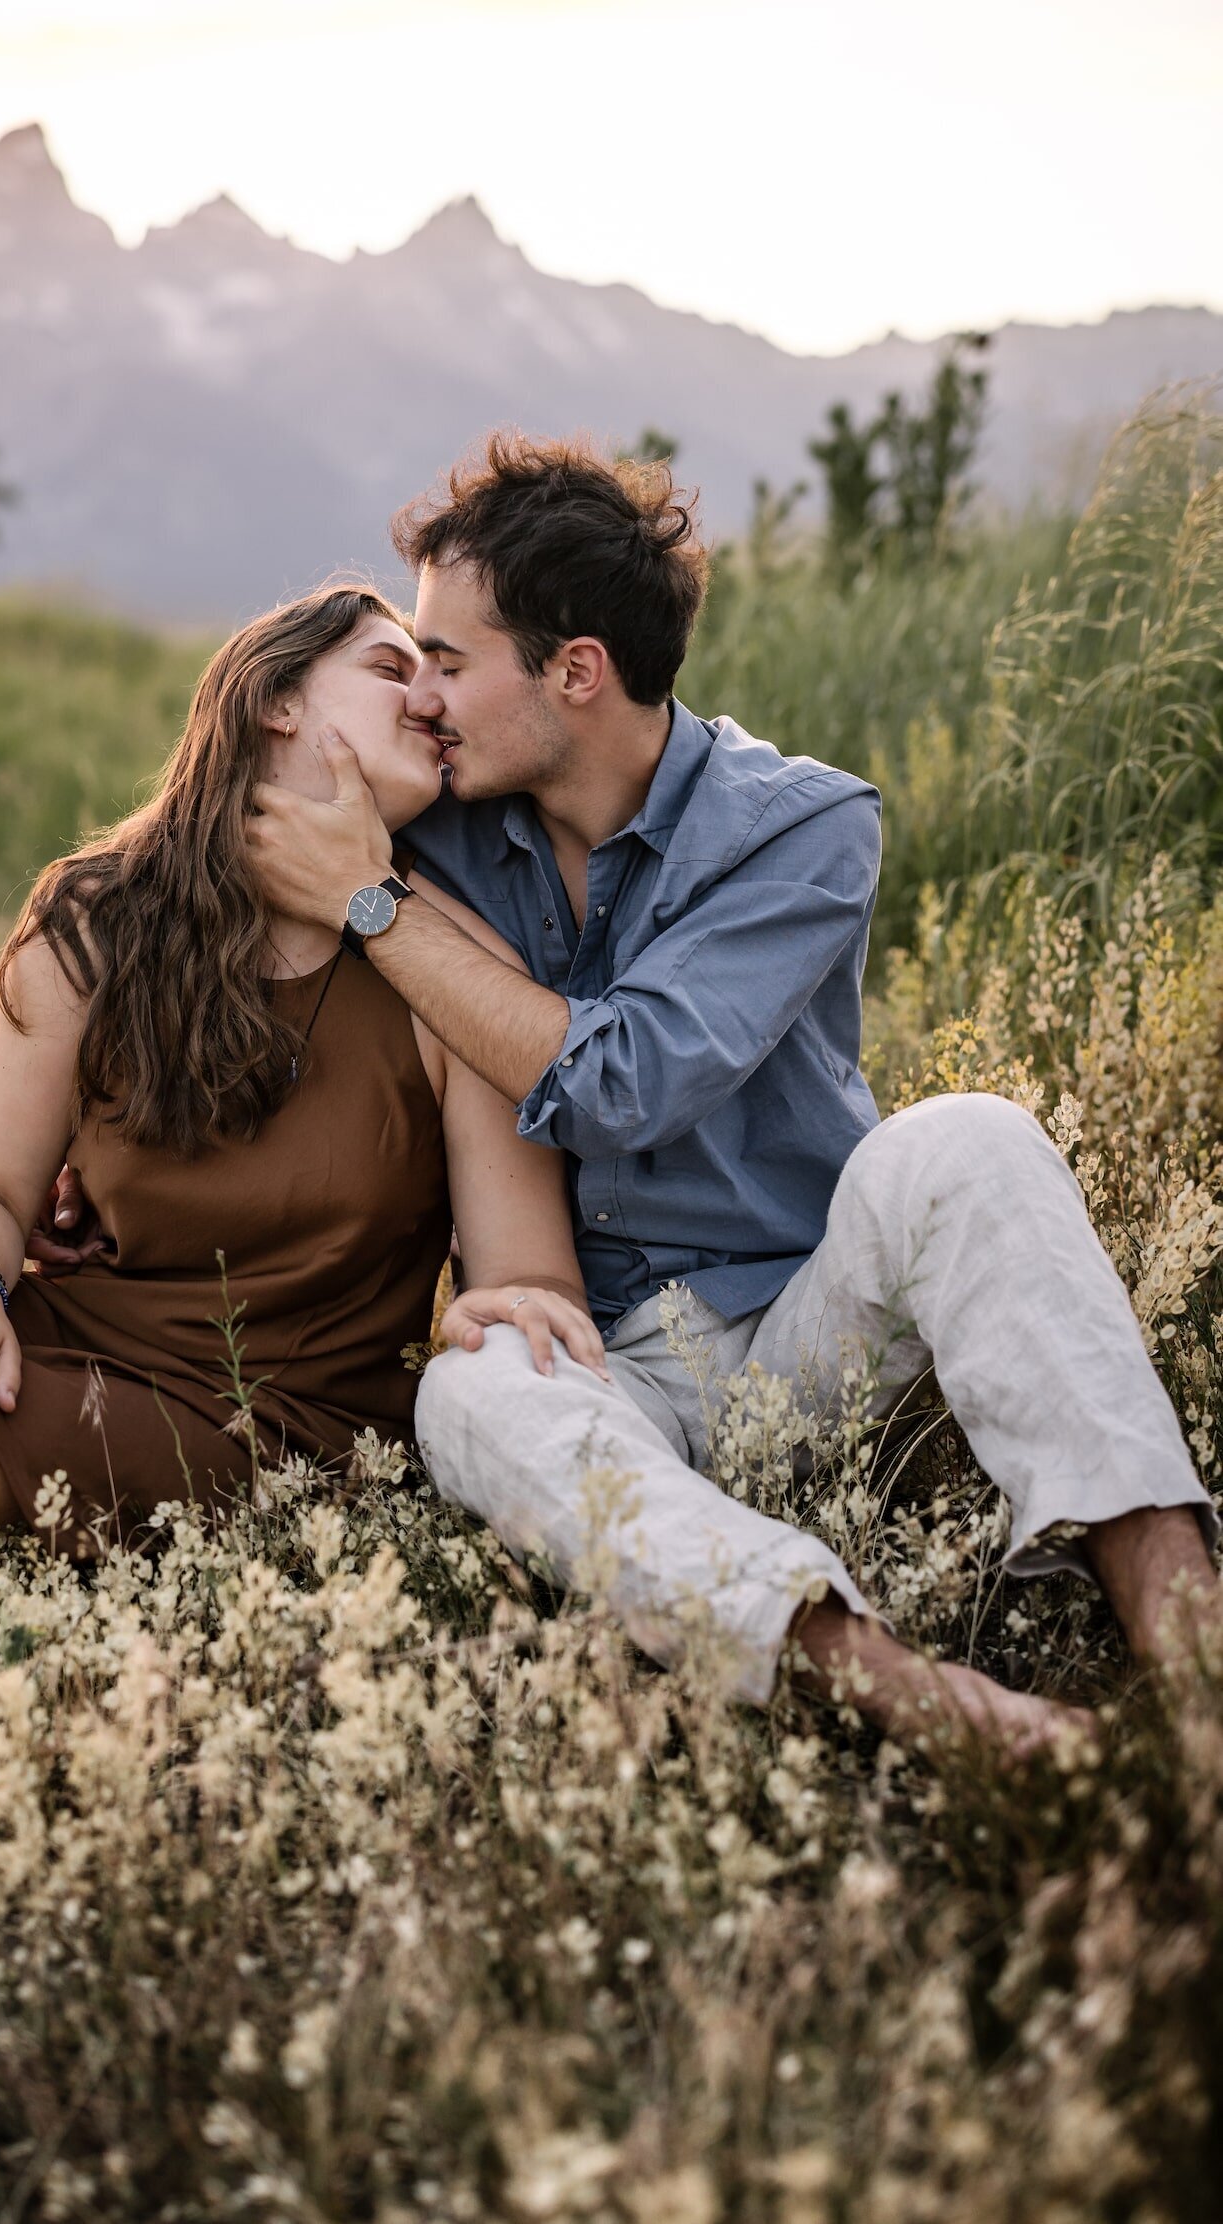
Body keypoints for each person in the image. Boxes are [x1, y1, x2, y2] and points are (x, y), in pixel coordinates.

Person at [245, 433, 1220, 1753]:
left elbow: (623, 1083)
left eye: (455, 664)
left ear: (574, 670)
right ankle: (948, 1711)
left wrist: (377, 906)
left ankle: (1196, 1663)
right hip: (608, 1370)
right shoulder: (446, 825)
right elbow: (246, 847)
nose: (426, 698)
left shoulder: (801, 828)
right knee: (469, 1396)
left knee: (971, 1142)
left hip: (814, 1334)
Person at [0, 584, 609, 1561]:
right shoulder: (99, 917)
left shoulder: (453, 968)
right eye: (389, 668)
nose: (428, 701)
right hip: (82, 1330)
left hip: (270, 1417)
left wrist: (507, 1303)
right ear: (276, 698)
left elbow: (530, 1272)